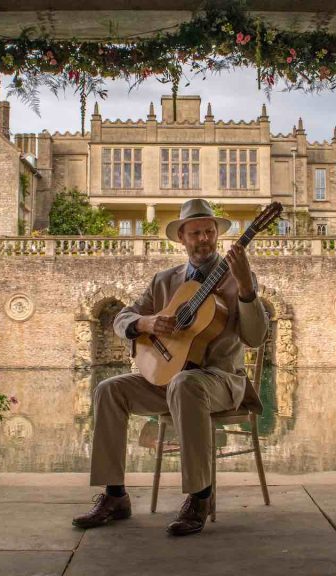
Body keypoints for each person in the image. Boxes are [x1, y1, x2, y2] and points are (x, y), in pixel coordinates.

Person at [73, 198, 268, 536]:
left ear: (217, 235)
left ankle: (199, 497)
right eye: (195, 233)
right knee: (109, 390)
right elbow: (123, 318)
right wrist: (147, 323)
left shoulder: (238, 279)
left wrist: (247, 288)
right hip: (171, 381)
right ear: (182, 237)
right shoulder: (164, 281)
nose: (203, 239)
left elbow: (255, 337)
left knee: (186, 384)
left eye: (209, 231)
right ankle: (115, 495)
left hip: (219, 381)